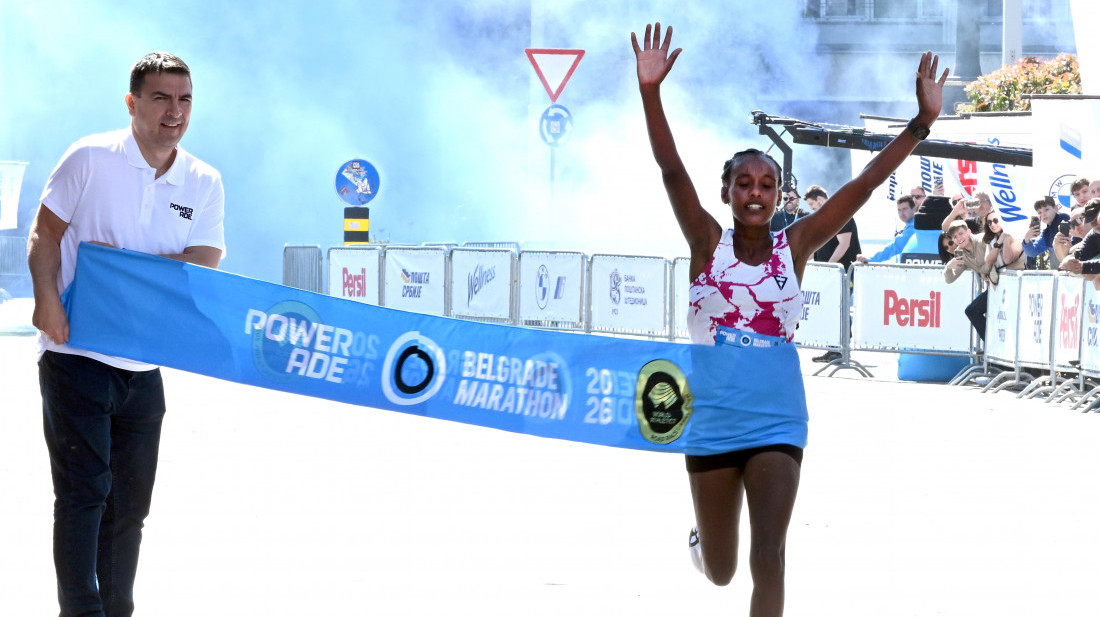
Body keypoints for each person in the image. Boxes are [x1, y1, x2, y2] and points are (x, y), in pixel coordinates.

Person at [632, 22, 946, 616]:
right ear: (726, 193)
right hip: (712, 413)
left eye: (767, 184)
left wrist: (921, 123)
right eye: (744, 183)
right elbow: (671, 171)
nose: (756, 192)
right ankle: (703, 543)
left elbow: (865, 183)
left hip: (777, 413)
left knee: (769, 555)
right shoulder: (706, 242)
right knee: (722, 571)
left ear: (779, 194)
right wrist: (650, 92)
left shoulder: (794, 245)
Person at [27, 52, 225, 617]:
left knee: (130, 507)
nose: (174, 111)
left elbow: (205, 258)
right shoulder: (90, 157)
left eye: (184, 100)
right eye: (161, 98)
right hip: (76, 352)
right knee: (84, 493)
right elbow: (45, 233)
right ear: (132, 102)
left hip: (144, 364)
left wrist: (125, 269)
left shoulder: (203, 181)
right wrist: (46, 301)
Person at [943, 220, 992, 341]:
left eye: (961, 233)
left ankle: (991, 344)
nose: (959, 238)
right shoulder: (959, 253)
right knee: (971, 311)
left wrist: (983, 271)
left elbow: (993, 261)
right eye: (955, 237)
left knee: (974, 311)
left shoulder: (983, 240)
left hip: (1005, 282)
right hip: (993, 287)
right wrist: (948, 267)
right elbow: (950, 279)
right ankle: (990, 344)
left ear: (969, 232)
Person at [807, 184, 861, 269]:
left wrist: (829, 266)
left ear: (819, 199)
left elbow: (844, 244)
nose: (810, 208)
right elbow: (819, 249)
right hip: (827, 272)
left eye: (811, 204)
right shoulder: (821, 219)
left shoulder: (841, 214)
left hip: (844, 271)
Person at [855, 194, 916, 263]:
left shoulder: (913, 228)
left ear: (914, 209)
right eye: (899, 210)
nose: (901, 213)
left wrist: (870, 259)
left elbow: (894, 247)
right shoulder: (912, 226)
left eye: (905, 209)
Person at [1022, 196, 1070, 269]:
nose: (1043, 214)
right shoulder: (1046, 233)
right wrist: (1027, 239)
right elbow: (1032, 253)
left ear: (1056, 208)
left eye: (1046, 209)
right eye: (1039, 212)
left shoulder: (1065, 219)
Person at [980, 212, 1025, 283]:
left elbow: (1007, 260)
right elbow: (988, 262)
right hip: (999, 283)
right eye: (989, 222)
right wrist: (998, 243)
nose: (992, 224)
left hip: (1015, 281)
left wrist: (1006, 238)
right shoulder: (992, 240)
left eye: (996, 220)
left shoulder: (1017, 236)